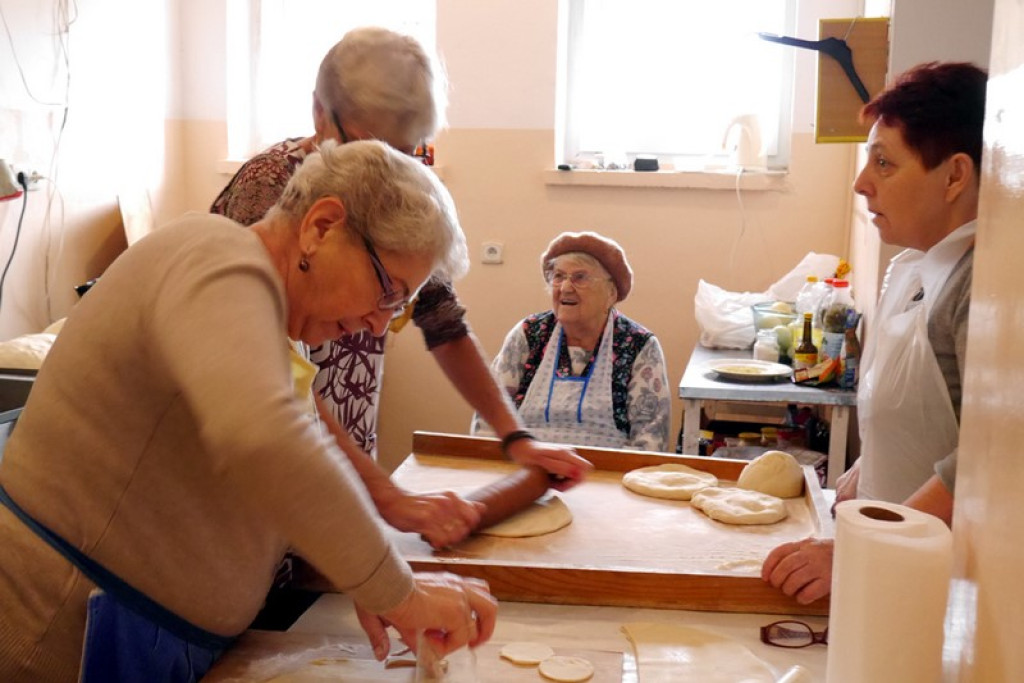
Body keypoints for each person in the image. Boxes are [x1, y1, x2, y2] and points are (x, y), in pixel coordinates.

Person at [0, 140, 498, 683]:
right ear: (322, 227)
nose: (379, 324)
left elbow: (281, 487)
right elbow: (267, 441)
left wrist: (360, 574)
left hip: (142, 636)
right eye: (388, 291)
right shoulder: (214, 254)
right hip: (58, 632)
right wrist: (397, 592)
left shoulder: (280, 328)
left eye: (398, 308)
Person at [210, 27, 592, 526]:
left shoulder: (399, 197)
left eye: (405, 154)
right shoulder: (268, 190)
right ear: (320, 112)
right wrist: (383, 495)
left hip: (345, 457)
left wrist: (515, 437)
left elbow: (444, 324)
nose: (385, 173)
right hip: (279, 458)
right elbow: (275, 375)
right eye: (368, 145)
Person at [762, 61, 987, 604]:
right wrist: (871, 464)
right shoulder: (916, 269)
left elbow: (989, 461)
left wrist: (863, 550)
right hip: (893, 568)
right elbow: (933, 418)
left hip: (939, 586)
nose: (862, 183)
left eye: (883, 163)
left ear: (955, 176)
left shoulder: (985, 287)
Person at [472, 231, 672, 451]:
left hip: (607, 469)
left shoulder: (638, 345)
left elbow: (650, 439)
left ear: (611, 293)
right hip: (527, 463)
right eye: (558, 276)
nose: (565, 288)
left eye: (580, 278)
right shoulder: (529, 334)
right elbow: (489, 416)